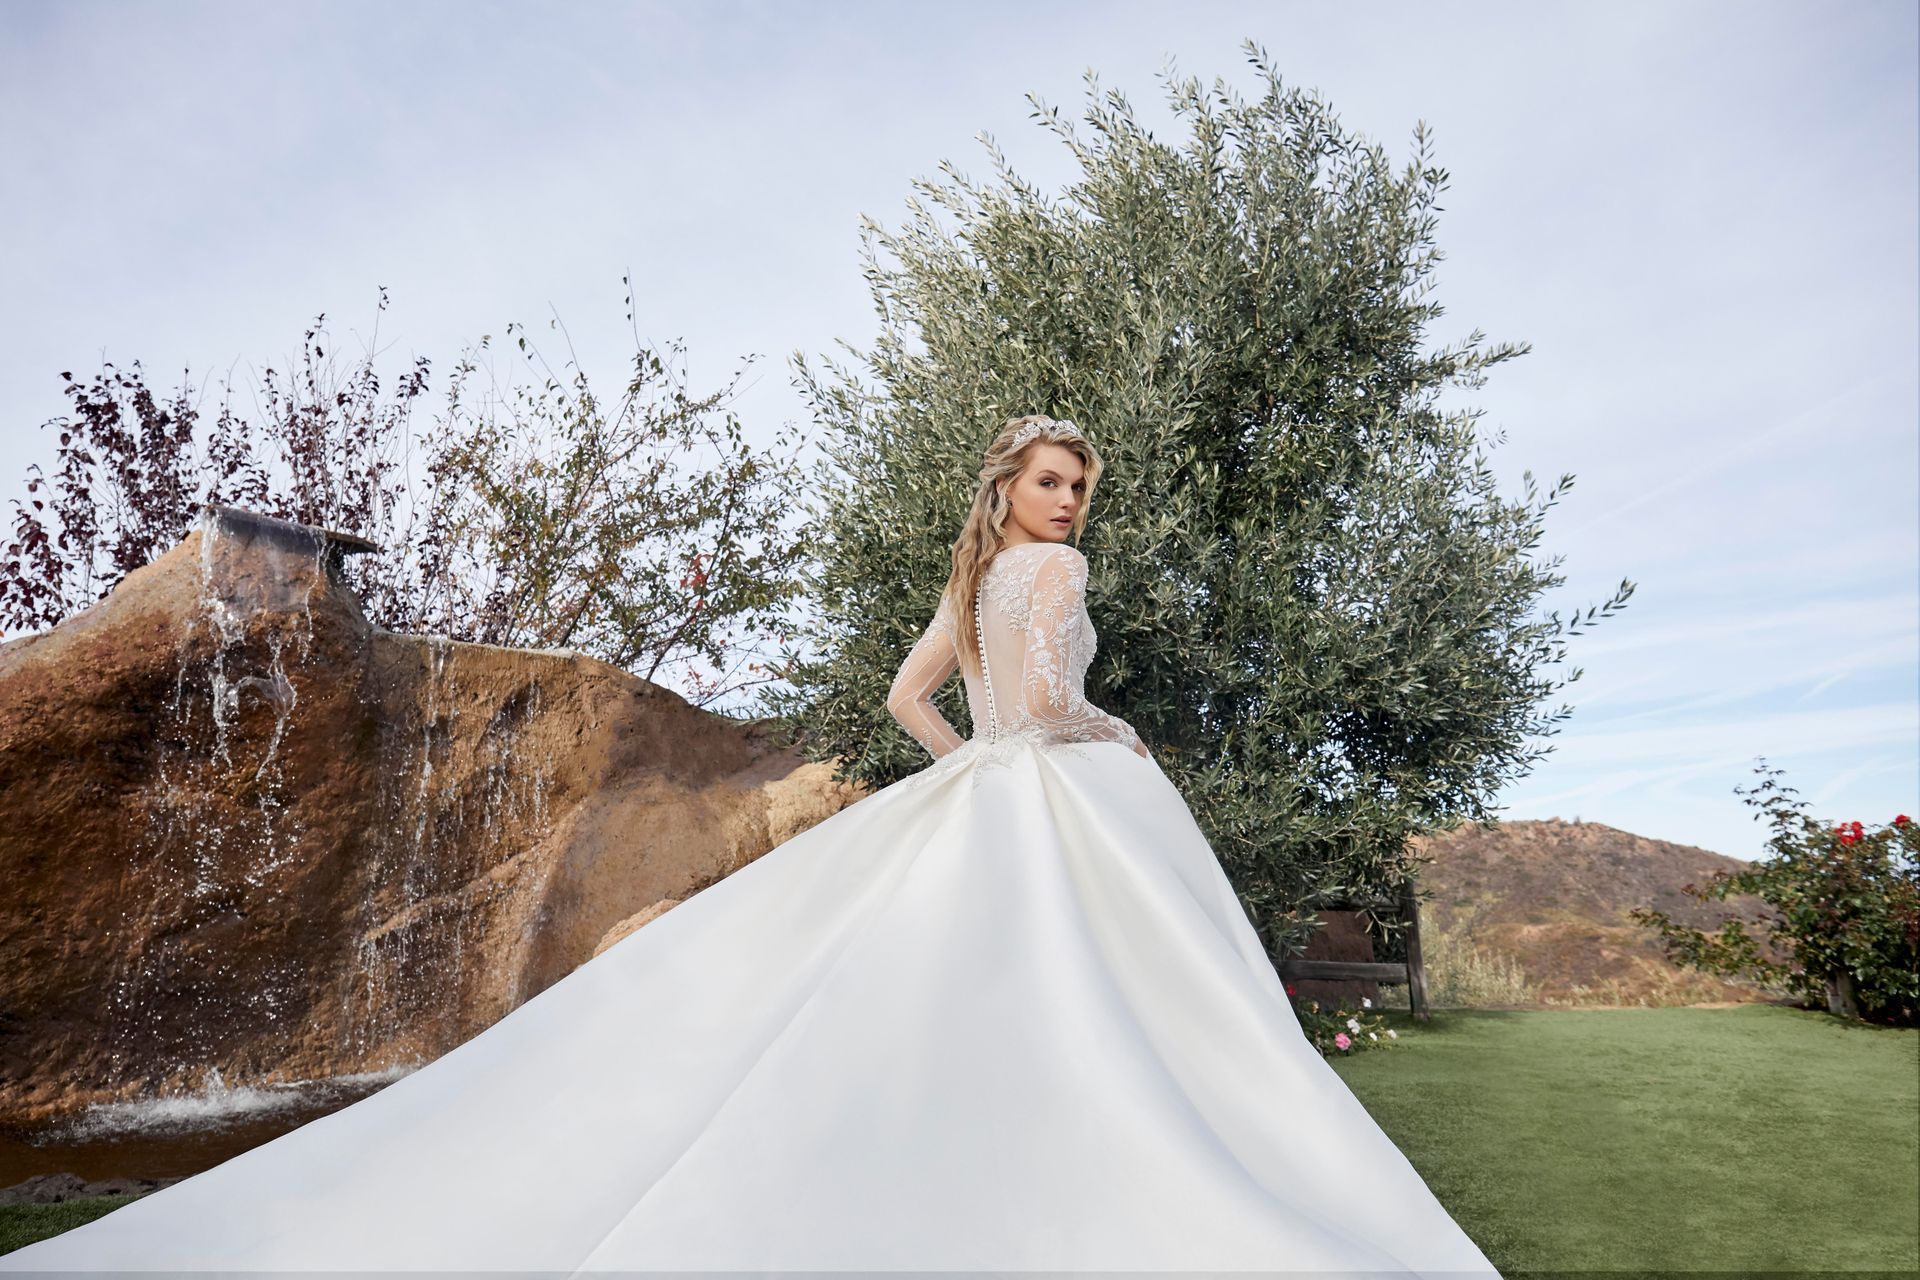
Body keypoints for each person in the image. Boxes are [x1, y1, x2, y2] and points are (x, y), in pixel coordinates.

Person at [0, 414, 1501, 1276]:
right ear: (1012, 490)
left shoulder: (971, 573)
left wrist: (971, 760)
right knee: (1111, 982)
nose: (1071, 503)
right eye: (1055, 481)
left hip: (990, 784)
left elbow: (919, 695)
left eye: (1082, 487)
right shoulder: (1050, 570)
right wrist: (1097, 738)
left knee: (972, 977)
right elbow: (1047, 699)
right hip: (1057, 784)